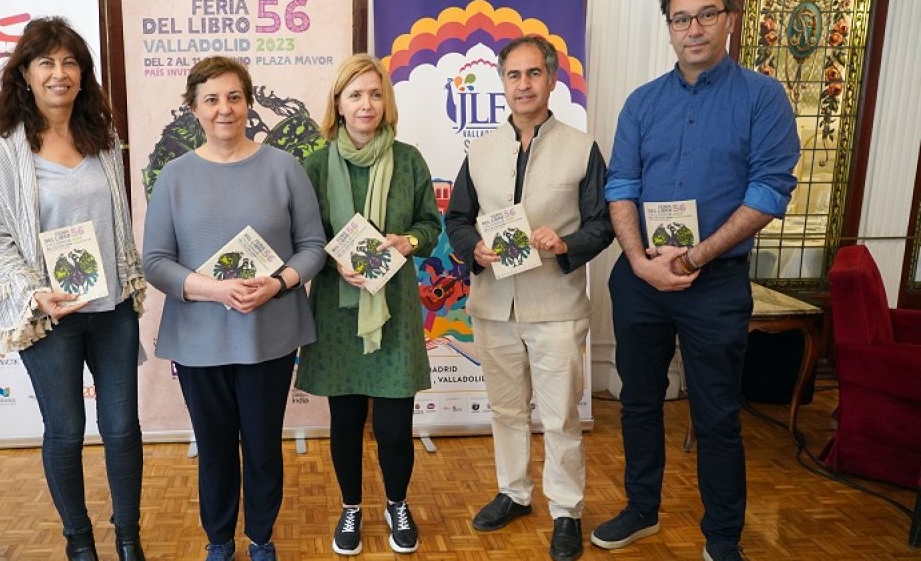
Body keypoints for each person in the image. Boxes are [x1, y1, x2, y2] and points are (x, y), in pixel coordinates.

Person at [591, 0, 799, 561]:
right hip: (641, 277)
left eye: (707, 14)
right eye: (681, 19)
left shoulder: (763, 98)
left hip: (716, 281)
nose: (694, 29)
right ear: (670, 28)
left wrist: (696, 256)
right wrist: (638, 259)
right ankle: (641, 509)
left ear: (729, 19)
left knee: (715, 411)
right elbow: (622, 184)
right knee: (637, 400)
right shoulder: (642, 102)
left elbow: (768, 191)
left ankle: (723, 538)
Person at [0, 17, 147, 561]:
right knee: (66, 432)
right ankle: (79, 539)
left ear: (83, 73)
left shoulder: (103, 137)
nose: (59, 73)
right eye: (46, 62)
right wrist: (32, 292)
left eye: (70, 62)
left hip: (113, 307)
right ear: (24, 73)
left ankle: (128, 536)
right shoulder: (5, 149)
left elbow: (118, 220)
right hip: (50, 316)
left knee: (122, 429)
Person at [142, 56, 326, 561]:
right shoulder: (174, 177)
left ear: (247, 102)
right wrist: (214, 290)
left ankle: (261, 538)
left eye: (234, 97)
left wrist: (278, 283)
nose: (224, 109)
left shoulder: (284, 168)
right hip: (200, 341)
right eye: (211, 99)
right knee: (216, 450)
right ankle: (219, 540)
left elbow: (312, 246)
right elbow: (154, 262)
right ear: (194, 109)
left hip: (268, 333)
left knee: (264, 448)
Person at [444, 35, 613, 561]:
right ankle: (514, 493)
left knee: (561, 415)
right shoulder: (480, 150)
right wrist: (475, 250)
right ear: (502, 83)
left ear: (552, 79)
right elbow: (457, 219)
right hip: (494, 305)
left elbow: (603, 223)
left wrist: (566, 244)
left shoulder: (582, 147)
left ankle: (566, 510)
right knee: (507, 409)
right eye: (514, 75)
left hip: (555, 306)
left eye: (534, 73)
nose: (524, 84)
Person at [295, 54, 443, 556]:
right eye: (355, 94)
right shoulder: (313, 166)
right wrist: (333, 262)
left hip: (394, 308)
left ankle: (397, 503)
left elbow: (431, 225)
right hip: (338, 311)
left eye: (375, 94)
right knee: (346, 421)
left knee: (395, 427)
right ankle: (351, 508)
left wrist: (406, 242)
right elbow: (305, 238)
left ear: (387, 101)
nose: (366, 104)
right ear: (338, 103)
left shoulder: (410, 160)